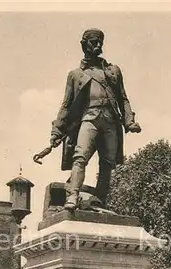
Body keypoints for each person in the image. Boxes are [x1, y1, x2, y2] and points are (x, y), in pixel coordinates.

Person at [50, 28, 141, 210]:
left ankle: (100, 199)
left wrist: (129, 121)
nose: (98, 45)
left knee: (107, 163)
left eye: (100, 42)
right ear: (84, 45)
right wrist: (56, 130)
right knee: (80, 157)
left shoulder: (113, 71)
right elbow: (66, 105)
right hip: (89, 118)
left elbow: (123, 98)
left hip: (110, 121)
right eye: (93, 42)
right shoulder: (76, 75)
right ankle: (73, 196)